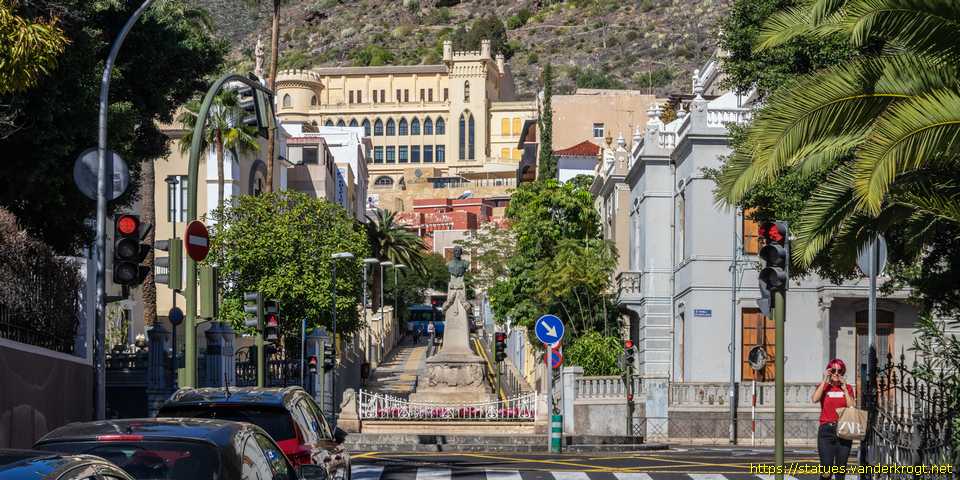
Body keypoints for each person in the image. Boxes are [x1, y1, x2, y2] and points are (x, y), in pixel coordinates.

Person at [811, 358, 856, 479]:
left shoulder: (848, 388)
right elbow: (814, 399)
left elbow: (851, 406)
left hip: (844, 430)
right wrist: (824, 381)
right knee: (826, 470)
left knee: (840, 471)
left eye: (840, 371)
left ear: (843, 373)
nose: (836, 373)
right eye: (833, 370)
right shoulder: (824, 387)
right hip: (826, 431)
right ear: (829, 371)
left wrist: (845, 388)